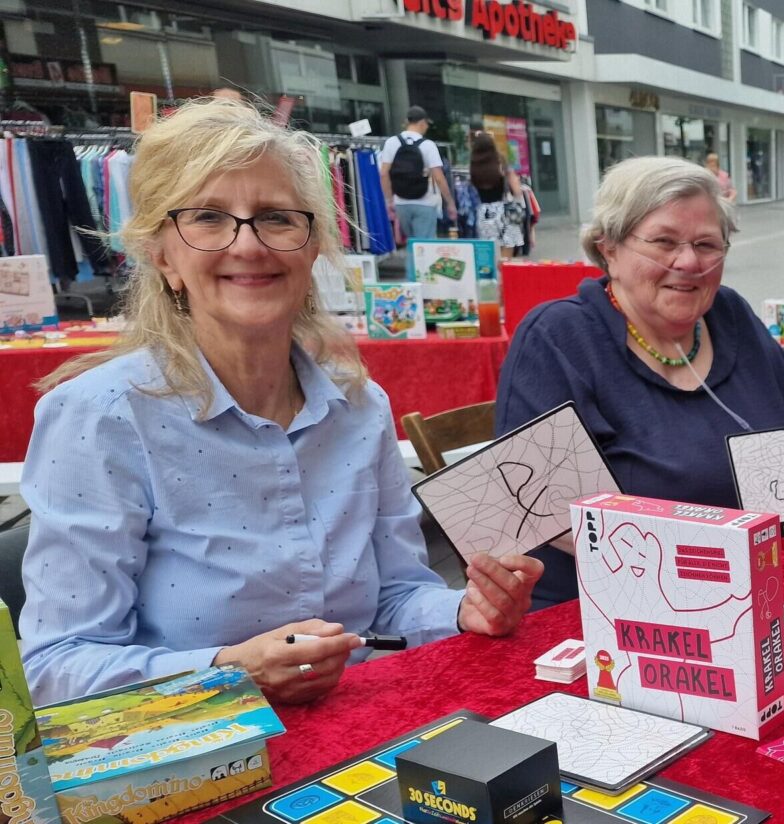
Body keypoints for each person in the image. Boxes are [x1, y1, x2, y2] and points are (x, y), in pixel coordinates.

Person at [19, 99, 542, 707]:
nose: (249, 244)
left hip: (364, 734)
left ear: (312, 244)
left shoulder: (359, 406)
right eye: (210, 218)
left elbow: (397, 599)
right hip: (207, 765)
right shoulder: (101, 419)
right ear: (164, 257)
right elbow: (55, 666)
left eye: (275, 217)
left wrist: (466, 610)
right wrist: (230, 671)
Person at [495, 156, 784, 608]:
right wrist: (712, 568)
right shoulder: (559, 337)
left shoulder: (731, 315)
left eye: (706, 244)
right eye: (664, 242)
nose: (688, 262)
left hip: (758, 593)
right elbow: (543, 514)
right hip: (605, 613)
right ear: (609, 248)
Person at [379, 106, 457, 245]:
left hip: (401, 202)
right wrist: (450, 202)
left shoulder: (391, 142)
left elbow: (384, 173)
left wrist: (389, 200)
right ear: (422, 123)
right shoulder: (428, 145)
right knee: (425, 249)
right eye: (426, 124)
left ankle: (412, 266)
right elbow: (439, 177)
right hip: (425, 203)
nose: (426, 127)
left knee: (412, 245)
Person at [467, 131, 524, 258]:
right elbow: (516, 188)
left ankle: (493, 275)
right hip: (504, 209)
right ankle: (505, 271)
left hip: (484, 212)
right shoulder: (500, 161)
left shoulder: (473, 165)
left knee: (489, 251)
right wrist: (518, 201)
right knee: (509, 245)